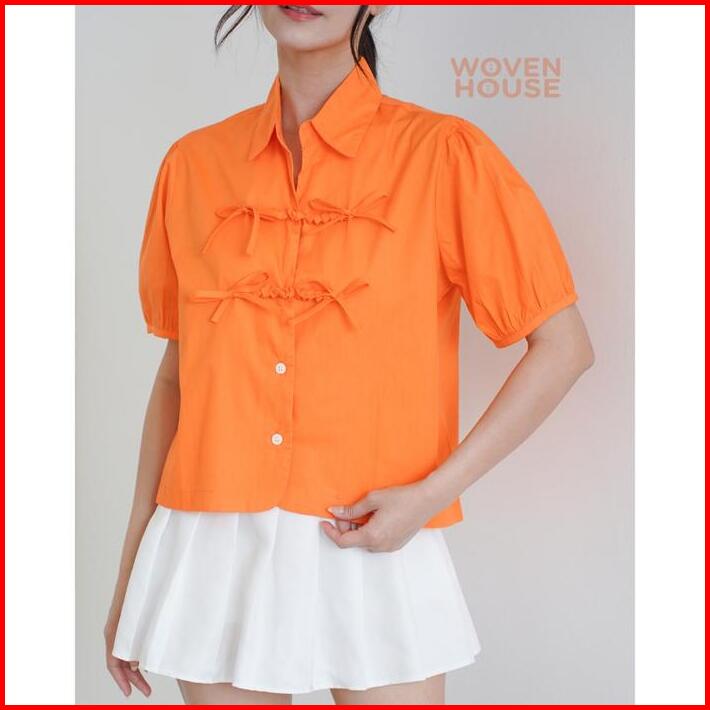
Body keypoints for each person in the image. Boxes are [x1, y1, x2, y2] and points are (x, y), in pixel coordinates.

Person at [104, 5, 595, 706]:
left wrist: (430, 497)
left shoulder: (443, 155)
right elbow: (177, 380)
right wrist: (132, 573)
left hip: (373, 534)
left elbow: (563, 347)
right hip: (212, 545)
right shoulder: (192, 166)